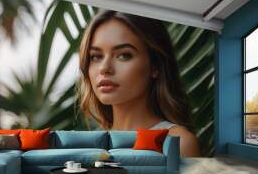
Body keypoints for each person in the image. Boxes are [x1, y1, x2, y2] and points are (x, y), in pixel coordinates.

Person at [78, 10, 200, 157]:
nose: (104, 68)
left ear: (155, 66)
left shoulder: (178, 143)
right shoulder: (92, 143)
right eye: (96, 56)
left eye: (124, 55)